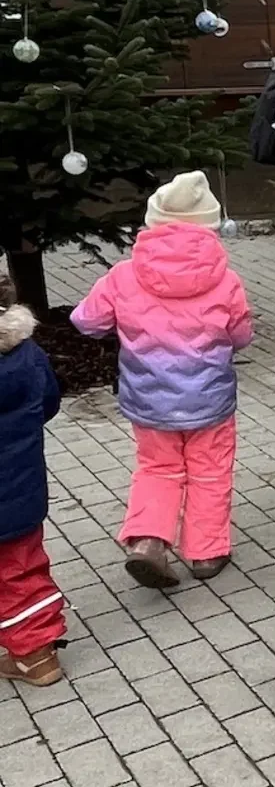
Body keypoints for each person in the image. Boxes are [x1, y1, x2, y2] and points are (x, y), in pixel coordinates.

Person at [71, 173, 253, 588]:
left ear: (154, 221)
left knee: (157, 468)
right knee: (210, 470)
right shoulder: (226, 279)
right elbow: (241, 335)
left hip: (148, 402)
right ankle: (206, 553)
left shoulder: (123, 275)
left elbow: (85, 320)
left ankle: (150, 541)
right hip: (210, 402)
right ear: (209, 226)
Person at [0, 273, 67, 687]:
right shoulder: (26, 354)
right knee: (24, 566)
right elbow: (48, 401)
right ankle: (35, 644)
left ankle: (34, 655)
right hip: (22, 488)